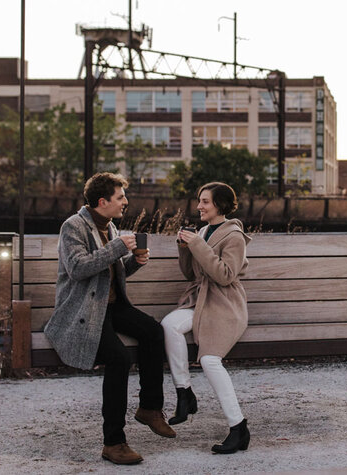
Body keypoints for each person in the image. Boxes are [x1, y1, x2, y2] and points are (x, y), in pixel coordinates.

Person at [43, 172, 175, 466]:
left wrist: (133, 263)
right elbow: (78, 268)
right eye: (120, 197)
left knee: (154, 332)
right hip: (83, 311)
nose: (125, 202)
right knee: (118, 359)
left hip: (110, 306)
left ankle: (150, 409)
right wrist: (117, 248)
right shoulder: (73, 227)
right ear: (102, 201)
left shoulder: (110, 226)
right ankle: (113, 442)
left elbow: (109, 274)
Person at [161, 181, 251, 454]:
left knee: (210, 360)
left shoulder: (234, 236)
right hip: (200, 301)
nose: (199, 206)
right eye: (200, 201)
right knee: (170, 325)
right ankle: (184, 394)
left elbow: (225, 275)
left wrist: (198, 244)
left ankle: (238, 428)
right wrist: (184, 247)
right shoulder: (202, 231)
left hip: (225, 305)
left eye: (205, 202)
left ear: (220, 206)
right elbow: (191, 275)